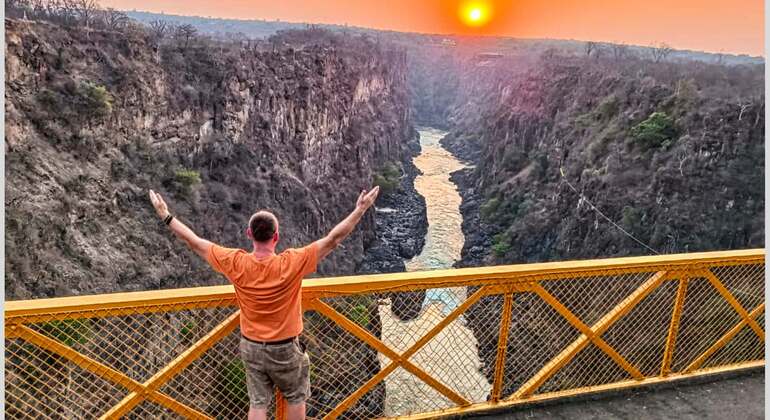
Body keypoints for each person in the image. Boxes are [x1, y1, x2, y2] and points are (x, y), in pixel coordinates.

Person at [148, 186, 380, 420]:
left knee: (258, 402)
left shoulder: (235, 262)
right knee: (296, 397)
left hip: (252, 346)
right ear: (276, 236)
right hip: (286, 348)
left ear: (249, 234)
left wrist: (166, 215)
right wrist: (360, 209)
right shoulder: (291, 262)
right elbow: (333, 239)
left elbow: (194, 242)